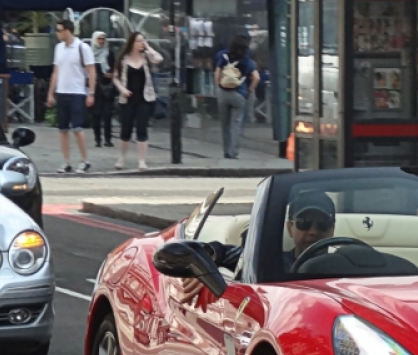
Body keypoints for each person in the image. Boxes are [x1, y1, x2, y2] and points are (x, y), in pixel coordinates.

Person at [178, 189, 337, 301]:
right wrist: (204, 266)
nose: (313, 231)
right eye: (304, 223)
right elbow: (223, 252)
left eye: (322, 224)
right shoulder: (271, 263)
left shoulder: (350, 264)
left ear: (332, 229)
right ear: (289, 227)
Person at [46, 19, 95, 173]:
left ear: (68, 30)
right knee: (62, 129)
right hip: (62, 91)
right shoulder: (59, 48)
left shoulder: (82, 47)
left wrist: (91, 93)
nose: (57, 33)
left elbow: (92, 71)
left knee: (78, 128)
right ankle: (66, 161)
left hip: (77, 91)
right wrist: (51, 92)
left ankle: (84, 160)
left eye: (59, 30)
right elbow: (56, 71)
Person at [112, 31, 164, 171]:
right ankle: (122, 157)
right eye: (139, 41)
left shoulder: (147, 57)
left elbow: (159, 59)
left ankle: (142, 160)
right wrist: (122, 89)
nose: (141, 43)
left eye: (143, 41)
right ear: (132, 43)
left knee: (142, 128)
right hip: (128, 98)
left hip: (145, 98)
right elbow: (115, 77)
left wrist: (148, 47)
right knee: (126, 130)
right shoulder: (123, 59)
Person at [214, 35, 260, 160]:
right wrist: (249, 91)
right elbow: (256, 78)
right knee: (237, 124)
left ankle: (226, 150)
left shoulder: (223, 56)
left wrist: (219, 88)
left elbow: (217, 74)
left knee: (225, 124)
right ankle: (233, 152)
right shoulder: (247, 61)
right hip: (239, 94)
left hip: (223, 93)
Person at [90, 31, 115, 148]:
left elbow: (114, 68)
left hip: (108, 88)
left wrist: (111, 74)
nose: (101, 41)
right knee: (96, 114)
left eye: (103, 39)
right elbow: (89, 71)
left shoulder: (109, 53)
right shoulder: (90, 54)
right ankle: (97, 139)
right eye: (99, 39)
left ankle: (108, 139)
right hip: (95, 88)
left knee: (107, 114)